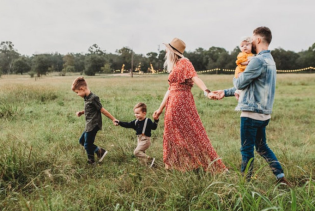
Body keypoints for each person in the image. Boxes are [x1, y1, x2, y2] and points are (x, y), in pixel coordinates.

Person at [211, 27, 290, 186]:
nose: (251, 43)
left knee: (247, 150)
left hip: (251, 113)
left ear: (259, 40)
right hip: (264, 114)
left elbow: (240, 83)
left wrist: (237, 75)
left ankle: (245, 186)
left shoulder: (257, 60)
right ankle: (280, 178)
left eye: (252, 40)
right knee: (261, 147)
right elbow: (250, 86)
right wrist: (225, 92)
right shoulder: (270, 61)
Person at [153, 38, 227, 172]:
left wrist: (206, 91)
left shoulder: (184, 62)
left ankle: (194, 164)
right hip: (173, 101)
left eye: (167, 50)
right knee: (172, 134)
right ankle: (176, 165)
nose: (165, 52)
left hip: (181, 102)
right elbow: (170, 89)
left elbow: (195, 77)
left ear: (173, 52)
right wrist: (159, 109)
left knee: (190, 133)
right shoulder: (175, 66)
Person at [72, 77, 118, 164]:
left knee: (87, 144)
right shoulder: (87, 98)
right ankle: (100, 151)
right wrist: (82, 112)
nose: (77, 94)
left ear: (82, 89)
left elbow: (102, 110)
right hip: (89, 125)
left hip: (93, 124)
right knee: (82, 141)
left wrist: (113, 119)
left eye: (77, 92)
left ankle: (91, 161)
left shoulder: (93, 98)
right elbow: (91, 109)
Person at [116, 103, 158, 167]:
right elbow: (127, 124)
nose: (136, 115)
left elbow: (154, 127)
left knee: (136, 152)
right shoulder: (136, 121)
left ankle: (150, 160)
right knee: (142, 154)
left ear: (144, 113)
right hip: (139, 139)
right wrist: (119, 122)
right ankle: (149, 165)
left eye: (138, 113)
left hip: (145, 139)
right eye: (135, 113)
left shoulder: (147, 121)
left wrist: (156, 120)